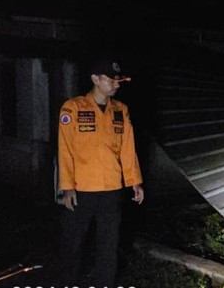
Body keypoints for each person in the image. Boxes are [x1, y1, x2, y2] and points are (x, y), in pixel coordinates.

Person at [57, 58, 144, 287]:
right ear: (95, 79)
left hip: (111, 191)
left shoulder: (121, 111)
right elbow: (65, 149)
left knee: (108, 246)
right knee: (73, 244)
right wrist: (66, 187)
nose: (117, 83)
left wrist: (134, 182)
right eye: (112, 79)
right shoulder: (73, 108)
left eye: (119, 79)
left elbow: (128, 149)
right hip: (81, 191)